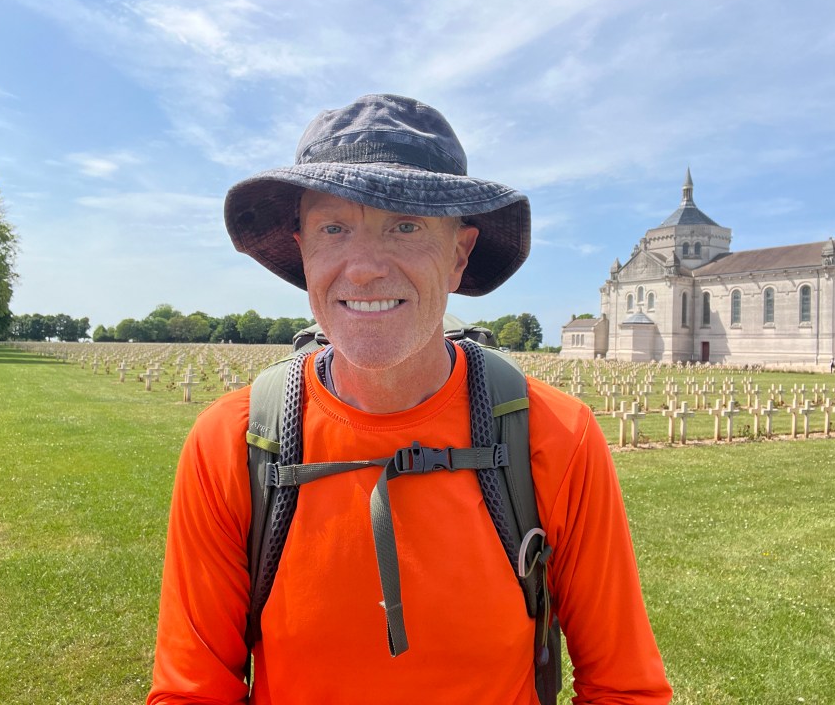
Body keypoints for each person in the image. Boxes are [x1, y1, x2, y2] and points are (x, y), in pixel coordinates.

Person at [147, 94, 672, 704]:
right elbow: (191, 693)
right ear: (304, 251)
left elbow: (624, 688)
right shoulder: (232, 443)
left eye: (406, 226)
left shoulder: (556, 437)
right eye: (333, 228)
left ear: (459, 254)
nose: (364, 269)